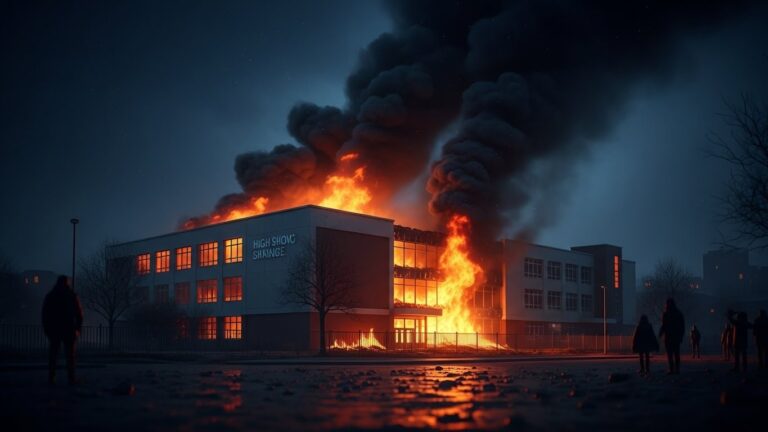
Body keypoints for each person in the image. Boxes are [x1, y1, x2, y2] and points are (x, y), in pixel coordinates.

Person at [41, 275, 83, 385]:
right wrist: (78, 329)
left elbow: (45, 314)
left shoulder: (51, 296)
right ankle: (71, 378)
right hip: (69, 329)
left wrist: (47, 329)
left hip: (55, 329)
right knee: (70, 356)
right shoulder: (71, 296)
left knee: (53, 355)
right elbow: (79, 314)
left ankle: (51, 377)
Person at [658, 298, 685, 374]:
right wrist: (681, 336)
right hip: (675, 337)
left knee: (670, 354)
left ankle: (671, 369)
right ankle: (677, 369)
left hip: (669, 337)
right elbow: (682, 326)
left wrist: (660, 333)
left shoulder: (666, 314)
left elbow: (664, 325)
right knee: (676, 353)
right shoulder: (678, 313)